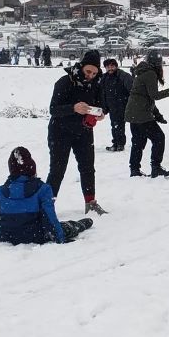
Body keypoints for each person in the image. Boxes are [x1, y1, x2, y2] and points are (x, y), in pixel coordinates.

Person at [0, 147, 93, 245]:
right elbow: (49, 217)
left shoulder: (1, 191)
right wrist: (60, 238)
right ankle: (78, 225)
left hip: (7, 236)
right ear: (32, 167)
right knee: (65, 227)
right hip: (35, 235)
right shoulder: (43, 189)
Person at [47, 50, 108, 215]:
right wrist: (73, 108)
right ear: (81, 67)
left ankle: (91, 202)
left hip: (84, 131)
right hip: (60, 131)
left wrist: (100, 114)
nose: (91, 76)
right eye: (88, 71)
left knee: (88, 168)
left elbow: (101, 105)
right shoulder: (65, 82)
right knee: (58, 169)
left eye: (95, 73)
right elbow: (53, 109)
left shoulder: (96, 84)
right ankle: (47, 204)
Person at [125, 51, 169, 178]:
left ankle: (134, 169)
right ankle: (156, 167)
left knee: (138, 142)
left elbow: (145, 97)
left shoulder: (142, 72)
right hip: (141, 114)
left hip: (133, 112)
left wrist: (157, 115)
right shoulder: (150, 73)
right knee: (159, 138)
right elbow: (154, 96)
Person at [99, 58, 134, 153]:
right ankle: (116, 143)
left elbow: (132, 90)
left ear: (116, 66)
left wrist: (130, 104)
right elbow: (102, 92)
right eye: (108, 66)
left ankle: (120, 144)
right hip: (111, 106)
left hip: (122, 105)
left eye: (112, 66)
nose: (110, 68)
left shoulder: (123, 76)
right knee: (114, 125)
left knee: (119, 125)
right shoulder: (104, 78)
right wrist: (104, 107)